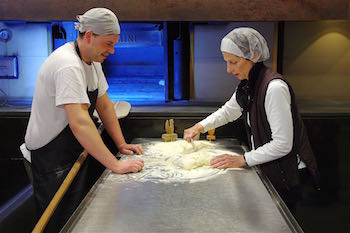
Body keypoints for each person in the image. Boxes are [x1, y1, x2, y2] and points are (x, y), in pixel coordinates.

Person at [22, 8, 144, 232]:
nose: (112, 50)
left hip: (70, 155)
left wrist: (120, 144)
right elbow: (79, 122)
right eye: (108, 44)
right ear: (89, 36)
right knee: (58, 225)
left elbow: (104, 103)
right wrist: (115, 164)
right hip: (51, 162)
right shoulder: (68, 64)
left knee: (74, 223)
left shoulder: (91, 60)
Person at [184, 27, 320, 214]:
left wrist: (241, 159)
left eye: (233, 62)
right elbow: (229, 111)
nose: (229, 69)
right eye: (226, 62)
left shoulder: (274, 88)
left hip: (288, 174)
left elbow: (283, 144)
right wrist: (200, 127)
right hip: (270, 166)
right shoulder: (250, 84)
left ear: (253, 56)